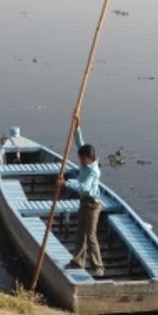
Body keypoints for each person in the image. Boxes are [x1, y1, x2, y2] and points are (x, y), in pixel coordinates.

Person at [56, 115, 105, 277]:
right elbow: (80, 142)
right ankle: (78, 262)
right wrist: (77, 127)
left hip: (92, 205)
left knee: (90, 236)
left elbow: (84, 188)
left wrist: (66, 183)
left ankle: (98, 266)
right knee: (80, 234)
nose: (81, 161)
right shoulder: (86, 159)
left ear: (90, 159)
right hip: (84, 203)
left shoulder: (93, 171)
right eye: (80, 158)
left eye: (83, 159)